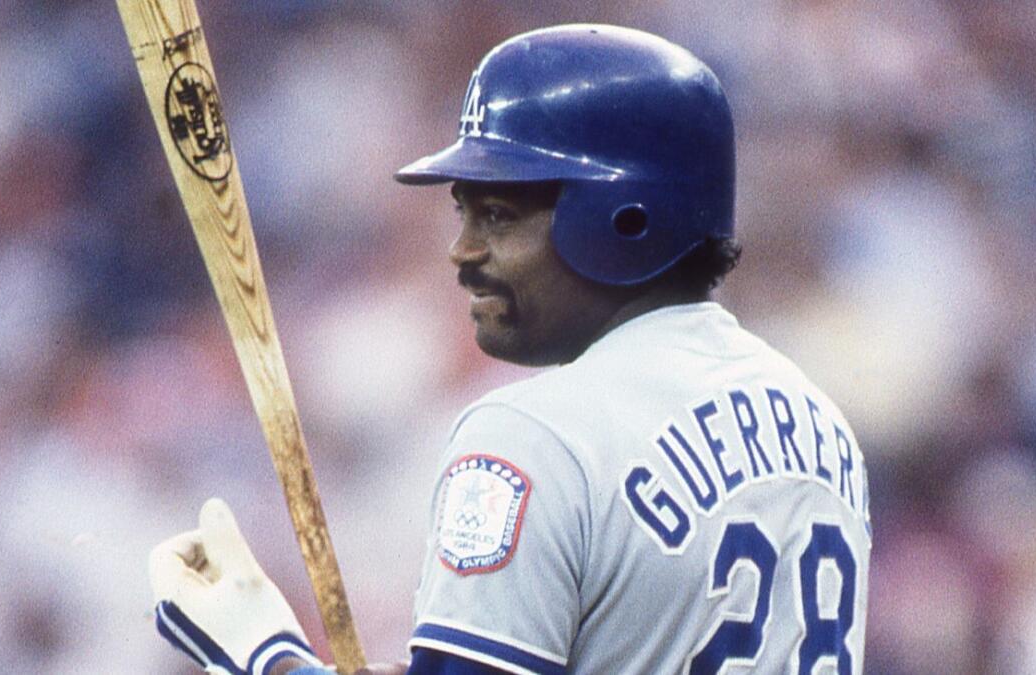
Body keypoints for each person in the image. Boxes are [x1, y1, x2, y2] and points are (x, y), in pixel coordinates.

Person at [147, 24, 872, 675]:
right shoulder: (820, 425)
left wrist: (260, 652)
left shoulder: (533, 435)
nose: (462, 251)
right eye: (465, 212)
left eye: (497, 214)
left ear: (625, 218)